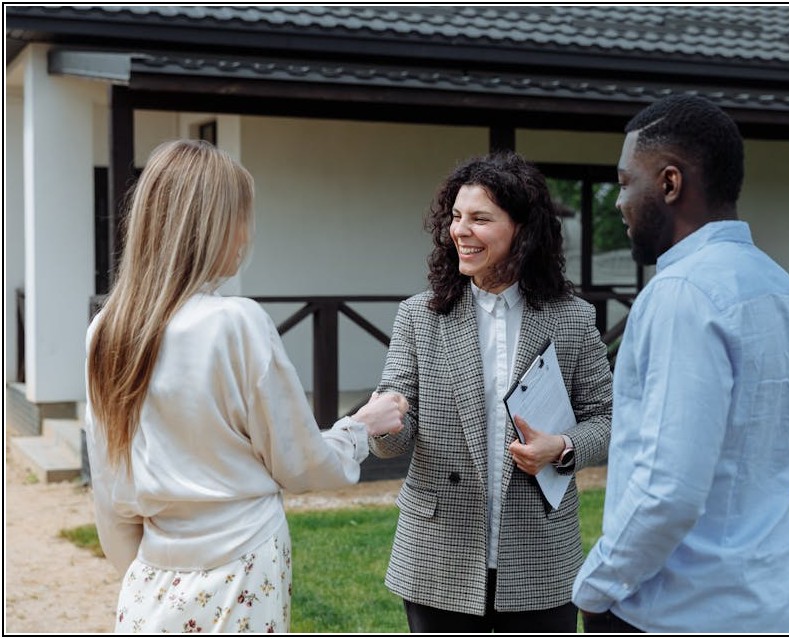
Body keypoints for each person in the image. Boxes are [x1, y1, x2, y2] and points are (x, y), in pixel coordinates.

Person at [83, 139, 407, 634]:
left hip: (152, 573)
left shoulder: (107, 330)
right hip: (241, 565)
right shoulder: (235, 322)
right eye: (241, 217)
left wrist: (143, 574)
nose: (246, 234)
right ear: (211, 227)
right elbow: (297, 464)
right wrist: (359, 428)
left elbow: (110, 488)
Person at [572, 94, 789, 633]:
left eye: (624, 182)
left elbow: (668, 489)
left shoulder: (681, 294)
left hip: (678, 613)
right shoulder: (783, 290)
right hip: (775, 606)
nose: (618, 202)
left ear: (669, 183)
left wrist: (596, 588)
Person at [370, 151, 613, 633]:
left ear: (521, 229)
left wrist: (561, 448)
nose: (460, 230)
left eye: (480, 218)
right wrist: (386, 421)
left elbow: (607, 418)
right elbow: (394, 434)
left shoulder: (573, 318)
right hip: (439, 556)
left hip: (540, 557)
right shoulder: (420, 316)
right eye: (456, 217)